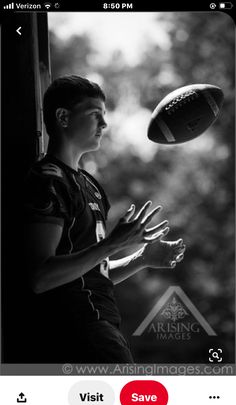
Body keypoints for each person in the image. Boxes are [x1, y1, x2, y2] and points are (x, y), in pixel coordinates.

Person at [23, 75, 186, 363]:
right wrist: (111, 244)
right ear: (62, 117)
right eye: (95, 114)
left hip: (102, 326)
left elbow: (93, 272)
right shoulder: (48, 180)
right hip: (74, 330)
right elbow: (40, 276)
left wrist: (141, 258)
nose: (104, 124)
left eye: (104, 115)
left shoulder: (90, 185)